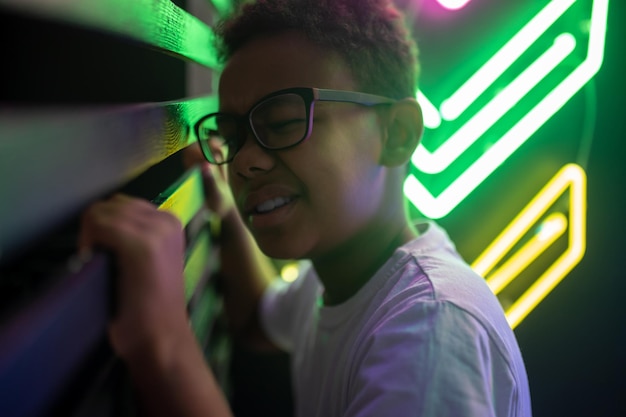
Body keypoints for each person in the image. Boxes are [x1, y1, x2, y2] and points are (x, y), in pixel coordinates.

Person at [79, 0, 532, 416]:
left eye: (282, 122)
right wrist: (229, 213)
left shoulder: (430, 332)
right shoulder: (338, 275)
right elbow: (260, 319)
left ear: (397, 133)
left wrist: (163, 345)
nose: (244, 161)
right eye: (234, 137)